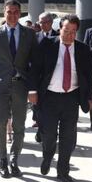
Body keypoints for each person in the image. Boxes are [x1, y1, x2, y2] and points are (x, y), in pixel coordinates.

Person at [30, 14, 92, 182]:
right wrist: (32, 91)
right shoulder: (46, 44)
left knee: (68, 137)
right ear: (60, 29)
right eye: (67, 30)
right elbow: (35, 69)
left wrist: (90, 97)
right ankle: (47, 155)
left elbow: (88, 75)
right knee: (49, 135)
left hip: (71, 97)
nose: (70, 35)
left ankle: (63, 171)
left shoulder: (82, 49)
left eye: (74, 31)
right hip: (49, 97)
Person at [0, 0, 37, 179]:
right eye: (9, 12)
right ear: (4, 14)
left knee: (19, 125)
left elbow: (34, 63)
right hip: (0, 84)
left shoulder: (29, 34)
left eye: (16, 12)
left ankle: (15, 159)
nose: (12, 15)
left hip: (21, 86)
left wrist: (33, 88)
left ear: (20, 13)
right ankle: (2, 159)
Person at [34, 12, 59, 141]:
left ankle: (51, 132)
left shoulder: (59, 37)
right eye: (40, 22)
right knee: (38, 108)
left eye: (45, 22)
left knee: (51, 109)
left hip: (54, 80)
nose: (42, 25)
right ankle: (41, 129)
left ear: (51, 22)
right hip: (38, 80)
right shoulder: (34, 37)